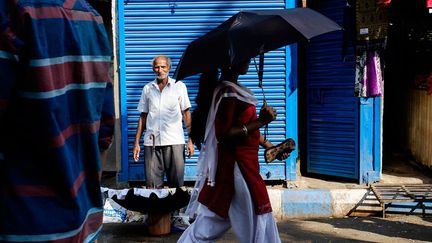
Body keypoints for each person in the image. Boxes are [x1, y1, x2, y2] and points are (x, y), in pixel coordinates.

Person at [0, 0, 114, 242]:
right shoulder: (92, 18)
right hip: (84, 222)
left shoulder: (14, 12)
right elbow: (105, 131)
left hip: (26, 226)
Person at [178, 60, 288, 243]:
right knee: (258, 216)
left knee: (212, 221)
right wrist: (261, 121)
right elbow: (224, 134)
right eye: (245, 56)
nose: (248, 60)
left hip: (240, 166)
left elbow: (245, 127)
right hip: (238, 169)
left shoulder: (233, 89)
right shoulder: (227, 92)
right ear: (230, 63)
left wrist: (269, 146)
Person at [133, 55, 194, 188]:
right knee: (152, 186)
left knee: (176, 185)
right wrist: (136, 143)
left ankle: (175, 210)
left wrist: (191, 140)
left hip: (174, 142)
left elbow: (186, 113)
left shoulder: (179, 86)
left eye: (163, 66)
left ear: (169, 68)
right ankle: (157, 209)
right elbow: (143, 116)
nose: (160, 70)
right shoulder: (147, 89)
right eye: (156, 67)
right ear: (153, 69)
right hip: (152, 143)